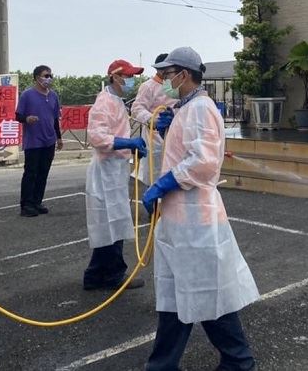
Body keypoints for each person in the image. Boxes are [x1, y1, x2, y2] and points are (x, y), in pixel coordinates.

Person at [141, 47, 259, 371]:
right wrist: (168, 127)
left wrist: (162, 185)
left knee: (207, 295)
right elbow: (185, 151)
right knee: (178, 295)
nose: (164, 80)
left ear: (185, 73)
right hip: (180, 219)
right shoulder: (186, 108)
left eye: (168, 74)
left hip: (197, 220)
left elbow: (203, 163)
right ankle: (164, 364)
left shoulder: (202, 109)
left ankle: (239, 361)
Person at [83, 59, 149, 291]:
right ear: (115, 76)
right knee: (111, 224)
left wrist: (129, 145)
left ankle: (96, 275)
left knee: (111, 224)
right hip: (105, 171)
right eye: (128, 76)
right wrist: (128, 142)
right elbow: (97, 137)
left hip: (114, 169)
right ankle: (111, 275)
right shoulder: (104, 102)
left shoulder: (116, 101)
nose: (131, 80)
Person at [16, 65, 64, 217]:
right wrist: (27, 119)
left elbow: (55, 118)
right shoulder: (27, 95)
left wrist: (59, 137)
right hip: (33, 141)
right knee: (31, 173)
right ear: (37, 77)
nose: (48, 78)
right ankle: (26, 204)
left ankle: (37, 201)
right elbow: (18, 116)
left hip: (48, 140)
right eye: (45, 75)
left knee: (43, 172)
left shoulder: (53, 96)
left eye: (50, 76)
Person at [130, 53, 178, 186]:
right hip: (155, 138)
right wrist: (153, 120)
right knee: (155, 176)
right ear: (161, 70)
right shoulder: (148, 86)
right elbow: (137, 108)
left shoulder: (175, 86)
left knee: (173, 173)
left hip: (173, 135)